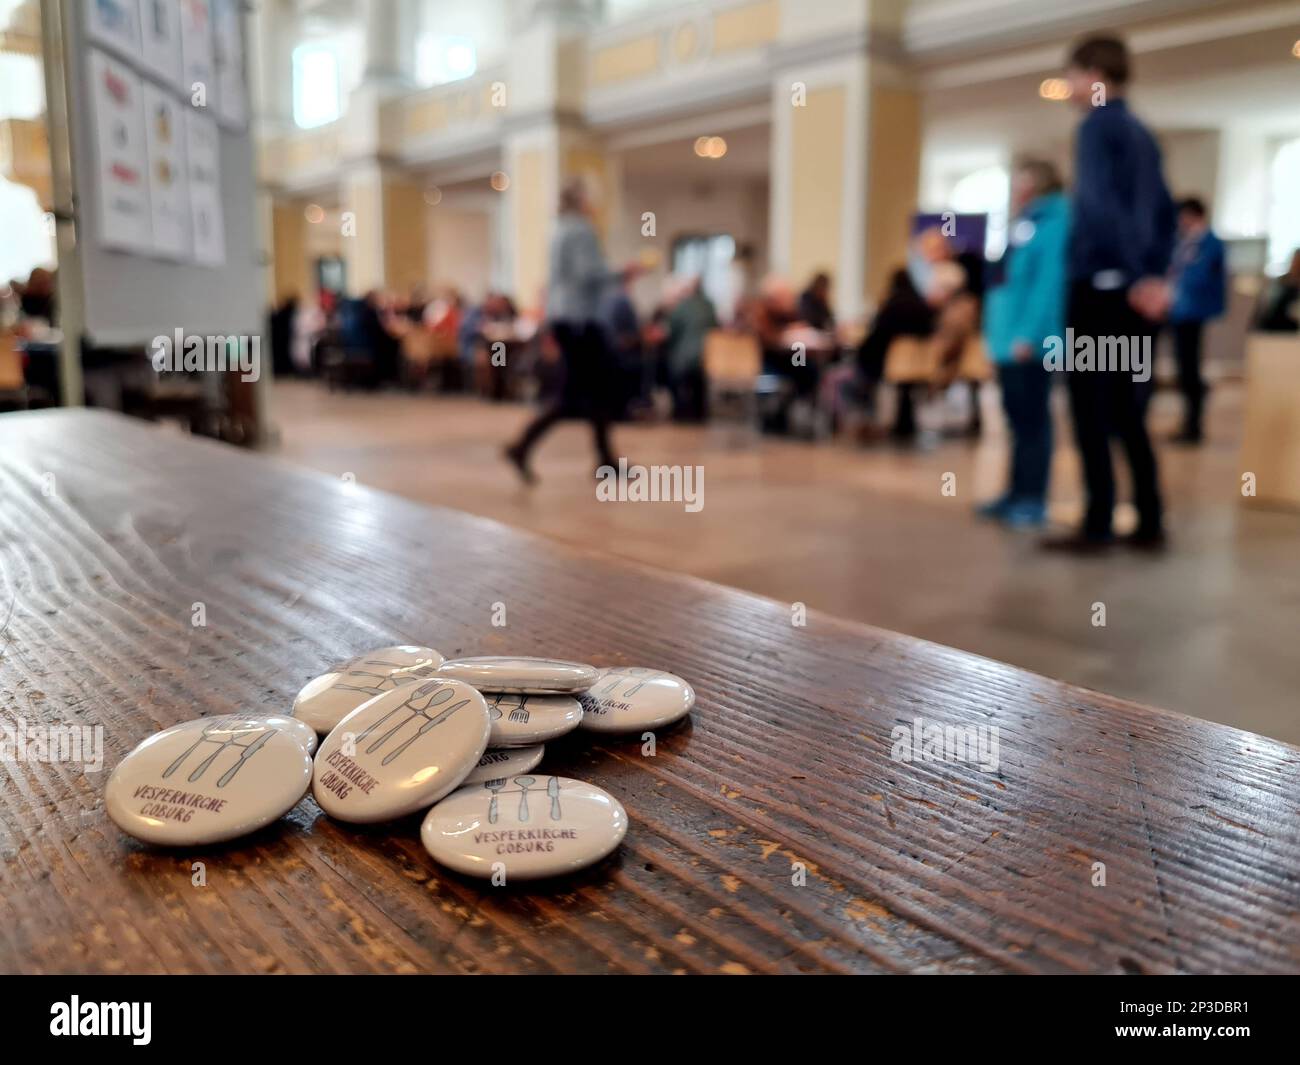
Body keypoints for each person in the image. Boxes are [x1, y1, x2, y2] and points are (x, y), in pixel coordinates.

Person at [1046, 34, 1175, 553]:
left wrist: (1131, 272)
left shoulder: (1098, 128)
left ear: (1094, 74)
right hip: (1134, 297)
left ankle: (1098, 520)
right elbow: (1162, 215)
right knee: (1126, 410)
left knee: (1089, 407)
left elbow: (1101, 212)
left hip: (1102, 295)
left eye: (1073, 77)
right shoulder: (1143, 134)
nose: (1071, 88)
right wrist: (1153, 276)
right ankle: (1149, 520)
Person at [505, 179, 634, 482]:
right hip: (580, 322)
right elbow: (587, 272)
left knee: (591, 391)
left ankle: (604, 460)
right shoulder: (580, 228)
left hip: (568, 319)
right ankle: (523, 447)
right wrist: (624, 272)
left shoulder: (560, 228)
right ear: (582, 200)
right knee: (578, 394)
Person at [979, 159, 1071, 528]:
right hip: (1007, 338)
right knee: (1016, 421)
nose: (1016, 189)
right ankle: (1016, 491)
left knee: (1033, 421)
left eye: (1022, 180)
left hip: (1028, 342)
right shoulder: (1026, 223)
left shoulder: (1055, 223)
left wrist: (1028, 336)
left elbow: (1048, 286)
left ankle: (1033, 498)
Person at [1167, 197, 1225, 443]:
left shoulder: (1210, 243)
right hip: (1178, 312)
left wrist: (1173, 286)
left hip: (1193, 313)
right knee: (1184, 368)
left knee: (1190, 369)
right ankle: (1188, 422)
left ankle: (1193, 427)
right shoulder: (1184, 242)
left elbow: (1198, 278)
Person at [664, 276, 718, 422]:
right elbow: (716, 327)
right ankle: (700, 414)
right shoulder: (710, 305)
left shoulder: (683, 306)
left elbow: (670, 330)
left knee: (674, 376)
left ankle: (680, 412)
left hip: (684, 355)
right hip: (706, 355)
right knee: (700, 385)